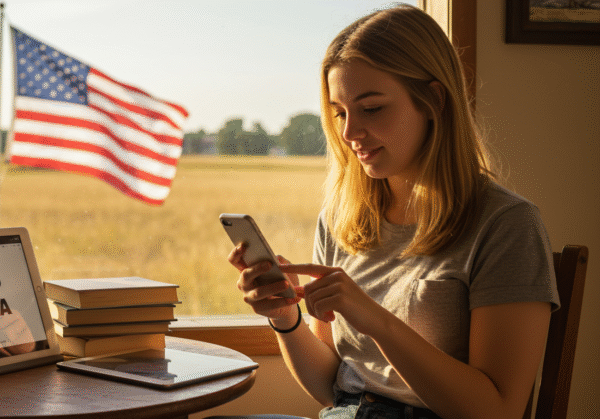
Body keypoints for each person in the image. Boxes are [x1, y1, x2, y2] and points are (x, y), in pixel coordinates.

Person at [226, 4, 559, 419]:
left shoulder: (506, 225)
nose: (349, 133)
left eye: (372, 108)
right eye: (341, 113)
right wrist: (284, 317)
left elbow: (497, 411)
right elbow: (332, 390)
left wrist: (373, 318)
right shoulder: (343, 219)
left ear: (433, 100)